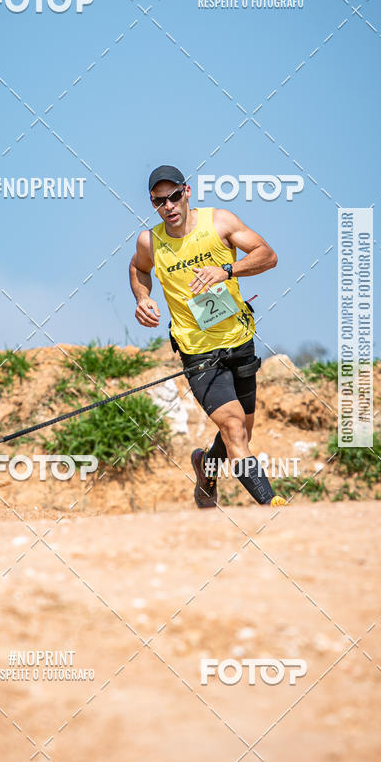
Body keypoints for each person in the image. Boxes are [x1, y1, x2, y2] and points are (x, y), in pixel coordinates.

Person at [129, 164, 286, 509]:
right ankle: (272, 504)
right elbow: (139, 269)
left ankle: (205, 467)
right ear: (153, 204)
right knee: (233, 429)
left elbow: (267, 256)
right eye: (159, 202)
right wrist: (143, 298)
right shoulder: (150, 241)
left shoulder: (220, 222)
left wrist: (226, 269)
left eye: (173, 197)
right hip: (198, 353)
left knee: (241, 433)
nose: (168, 207)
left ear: (187, 192)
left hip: (239, 341)